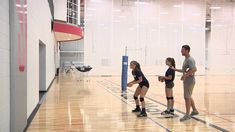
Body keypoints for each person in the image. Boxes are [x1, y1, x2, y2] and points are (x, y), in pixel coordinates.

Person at [172, 45, 199, 121]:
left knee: (186, 97)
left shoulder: (190, 60)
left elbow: (194, 69)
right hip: (187, 81)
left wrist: (185, 76)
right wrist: (175, 69)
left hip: (189, 81)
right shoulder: (186, 59)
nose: (181, 51)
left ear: (187, 50)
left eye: (182, 50)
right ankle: (194, 110)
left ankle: (187, 115)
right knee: (189, 96)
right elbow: (185, 70)